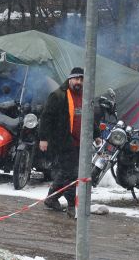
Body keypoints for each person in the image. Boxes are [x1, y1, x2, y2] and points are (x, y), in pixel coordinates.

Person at [38, 67, 100, 218]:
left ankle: (51, 198)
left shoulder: (85, 96)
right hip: (63, 141)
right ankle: (72, 206)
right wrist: (43, 138)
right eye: (76, 79)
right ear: (70, 79)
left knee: (67, 173)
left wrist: (97, 135)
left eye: (81, 79)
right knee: (71, 174)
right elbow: (46, 117)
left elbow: (89, 118)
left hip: (80, 142)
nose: (79, 82)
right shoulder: (59, 95)